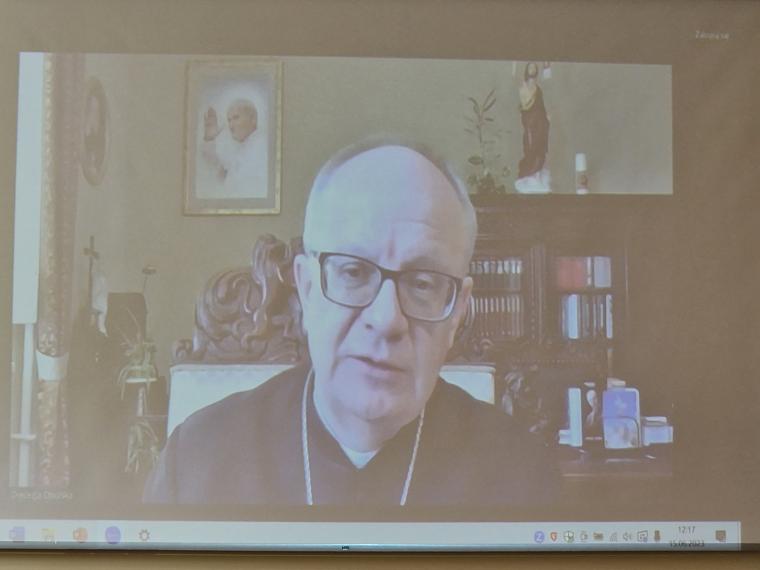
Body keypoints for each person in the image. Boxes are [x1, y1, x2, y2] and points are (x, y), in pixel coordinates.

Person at [144, 140, 557, 506]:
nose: (387, 319)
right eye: (354, 272)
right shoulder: (197, 461)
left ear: (458, 312)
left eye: (422, 283)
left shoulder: (522, 475)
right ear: (306, 289)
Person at [198, 97, 266, 199]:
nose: (230, 125)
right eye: (229, 120)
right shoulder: (243, 147)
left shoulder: (263, 148)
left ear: (253, 119)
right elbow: (220, 169)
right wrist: (209, 138)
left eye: (236, 118)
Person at [515, 62, 551, 194]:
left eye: (534, 67)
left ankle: (536, 173)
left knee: (540, 148)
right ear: (527, 70)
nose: (532, 69)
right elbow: (524, 105)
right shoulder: (524, 86)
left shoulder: (538, 88)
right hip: (530, 121)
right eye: (530, 67)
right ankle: (529, 172)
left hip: (541, 121)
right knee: (531, 147)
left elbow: (541, 105)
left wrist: (546, 116)